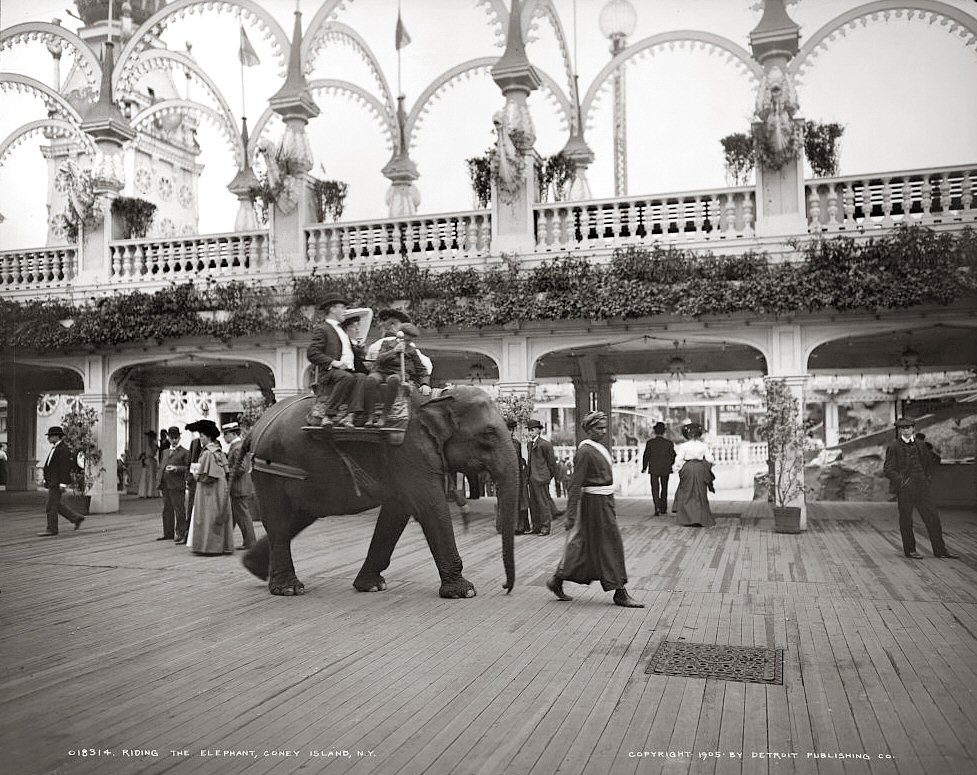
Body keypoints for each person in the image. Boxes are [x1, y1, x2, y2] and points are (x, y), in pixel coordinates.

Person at [546, 412, 643, 608]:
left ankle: (557, 580)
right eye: (599, 428)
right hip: (594, 504)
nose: (604, 431)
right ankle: (619, 592)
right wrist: (571, 515)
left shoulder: (598, 448)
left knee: (586, 544)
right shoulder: (585, 452)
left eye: (605, 427)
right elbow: (575, 485)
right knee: (610, 544)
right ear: (588, 430)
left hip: (604, 502)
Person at [883, 417, 958, 560]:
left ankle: (940, 550)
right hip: (906, 488)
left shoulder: (921, 445)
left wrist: (926, 479)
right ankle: (910, 550)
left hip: (922, 487)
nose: (905, 430)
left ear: (913, 429)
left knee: (933, 518)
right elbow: (888, 469)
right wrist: (901, 481)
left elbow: (929, 464)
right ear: (899, 430)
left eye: (908, 427)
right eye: (902, 428)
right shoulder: (893, 447)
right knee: (906, 520)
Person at [306, 294, 370, 427]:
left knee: (361, 377)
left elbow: (346, 351)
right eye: (342, 308)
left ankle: (350, 415)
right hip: (331, 373)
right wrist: (333, 362)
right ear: (333, 309)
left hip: (347, 372)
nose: (345, 311)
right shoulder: (323, 329)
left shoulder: (341, 330)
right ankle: (329, 414)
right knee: (346, 377)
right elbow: (312, 353)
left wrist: (358, 350)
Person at [185, 420, 234, 556]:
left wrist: (196, 475)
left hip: (209, 492)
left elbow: (208, 476)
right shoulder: (218, 451)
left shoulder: (208, 453)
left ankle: (209, 546)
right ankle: (221, 545)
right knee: (217, 515)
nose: (200, 439)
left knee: (208, 517)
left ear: (207, 436)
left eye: (201, 436)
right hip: (219, 489)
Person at [368, 323, 431, 426]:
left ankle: (384, 416)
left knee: (394, 379)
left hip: (398, 375)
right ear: (399, 336)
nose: (407, 343)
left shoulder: (412, 351)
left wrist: (425, 384)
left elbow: (422, 370)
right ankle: (370, 416)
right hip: (382, 372)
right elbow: (379, 360)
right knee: (370, 379)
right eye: (406, 340)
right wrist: (394, 351)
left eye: (410, 341)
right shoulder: (386, 344)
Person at [36, 425, 85, 536]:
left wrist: (63, 483)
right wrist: (46, 479)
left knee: (51, 506)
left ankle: (52, 528)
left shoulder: (63, 449)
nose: (48, 438)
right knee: (56, 504)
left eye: (50, 436)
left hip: (57, 482)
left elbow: (64, 467)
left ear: (56, 437)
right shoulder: (56, 448)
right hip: (53, 481)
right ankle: (76, 518)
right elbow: (50, 466)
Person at [672, 423, 715, 527]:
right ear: (698, 434)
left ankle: (687, 519)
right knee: (700, 493)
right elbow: (710, 459)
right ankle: (700, 518)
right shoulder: (703, 446)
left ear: (687, 435)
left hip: (688, 468)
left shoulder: (684, 446)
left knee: (686, 492)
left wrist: (677, 468)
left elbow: (679, 459)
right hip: (700, 468)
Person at [223, 421, 258, 551]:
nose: (224, 437)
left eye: (226, 434)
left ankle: (250, 542)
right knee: (237, 515)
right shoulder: (238, 445)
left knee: (242, 515)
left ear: (232, 434)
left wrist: (227, 472)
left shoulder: (237, 447)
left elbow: (241, 468)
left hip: (238, 487)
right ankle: (227, 540)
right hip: (239, 487)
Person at [155, 426, 189, 543]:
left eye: (176, 438)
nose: (174, 440)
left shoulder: (185, 452)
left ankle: (181, 533)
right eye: (172, 438)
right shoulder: (165, 452)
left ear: (179, 437)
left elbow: (187, 468)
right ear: (168, 438)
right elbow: (161, 467)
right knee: (167, 509)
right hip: (165, 484)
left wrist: (176, 468)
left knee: (179, 509)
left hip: (177, 484)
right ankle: (168, 533)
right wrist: (158, 482)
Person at [499, 420, 531, 535]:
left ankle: (517, 526)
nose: (509, 432)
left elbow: (517, 460)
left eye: (510, 430)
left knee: (517, 501)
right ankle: (514, 526)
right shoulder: (509, 443)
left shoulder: (514, 443)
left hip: (513, 476)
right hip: (510, 476)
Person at [526, 419, 558, 535]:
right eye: (529, 430)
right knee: (533, 504)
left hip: (541, 478)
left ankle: (545, 527)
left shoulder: (545, 444)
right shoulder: (529, 444)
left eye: (533, 430)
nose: (530, 432)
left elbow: (552, 464)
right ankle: (536, 526)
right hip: (532, 479)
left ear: (539, 430)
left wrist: (548, 477)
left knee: (543, 504)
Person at [642, 422, 676, 516]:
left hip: (654, 469)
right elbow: (673, 456)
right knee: (664, 488)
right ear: (664, 432)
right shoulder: (669, 443)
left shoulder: (650, 443)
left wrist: (644, 467)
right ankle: (663, 508)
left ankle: (657, 507)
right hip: (665, 468)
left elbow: (646, 456)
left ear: (655, 431)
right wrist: (670, 464)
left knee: (655, 488)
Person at [137, 430, 158, 498]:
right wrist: (142, 457)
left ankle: (150, 493)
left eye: (149, 436)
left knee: (151, 477)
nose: (148, 438)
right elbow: (146, 453)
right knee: (145, 477)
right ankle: (144, 493)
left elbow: (153, 452)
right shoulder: (147, 444)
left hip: (151, 461)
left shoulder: (153, 444)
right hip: (147, 460)